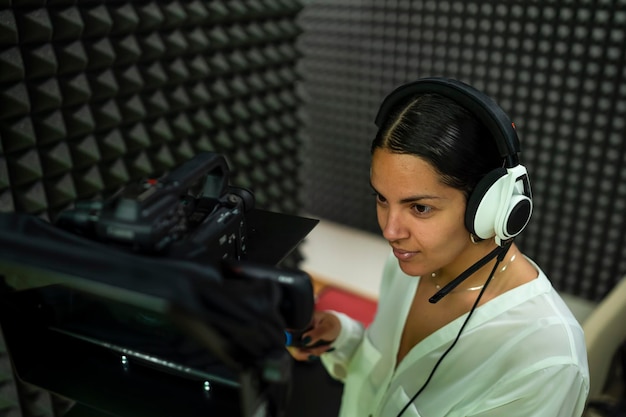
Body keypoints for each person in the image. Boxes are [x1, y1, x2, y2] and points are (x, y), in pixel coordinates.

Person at [289, 78, 589, 416]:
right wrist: (342, 338)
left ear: (488, 208)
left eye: (420, 208)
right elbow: (390, 376)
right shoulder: (407, 263)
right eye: (382, 199)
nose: (390, 230)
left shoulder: (547, 361)